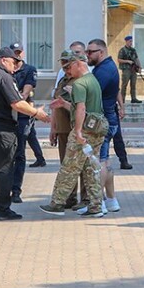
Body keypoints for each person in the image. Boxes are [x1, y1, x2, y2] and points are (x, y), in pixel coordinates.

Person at [0, 47, 49, 221]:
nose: (16, 67)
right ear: (4, 60)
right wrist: (37, 113)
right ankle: (3, 210)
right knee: (4, 169)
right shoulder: (4, 77)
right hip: (2, 130)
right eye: (14, 62)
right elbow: (17, 103)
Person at [43, 52, 108, 218]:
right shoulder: (92, 80)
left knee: (69, 167)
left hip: (84, 130)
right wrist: (64, 104)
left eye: (68, 66)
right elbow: (88, 106)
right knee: (90, 168)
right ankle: (95, 205)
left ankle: (57, 203)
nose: (66, 71)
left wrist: (78, 131)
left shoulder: (79, 84)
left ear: (78, 63)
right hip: (96, 130)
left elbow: (81, 108)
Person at [86, 38, 125, 210]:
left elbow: (92, 95)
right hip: (109, 119)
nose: (88, 55)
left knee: (100, 162)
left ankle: (97, 203)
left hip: (103, 121)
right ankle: (111, 200)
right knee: (106, 162)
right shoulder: (106, 67)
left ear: (101, 52)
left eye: (90, 52)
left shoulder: (103, 71)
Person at [48, 44, 86, 208]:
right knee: (65, 165)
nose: (64, 67)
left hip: (76, 128)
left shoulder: (81, 80)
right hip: (63, 128)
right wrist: (53, 127)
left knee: (82, 165)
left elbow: (80, 106)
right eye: (62, 63)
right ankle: (70, 198)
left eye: (67, 63)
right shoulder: (63, 79)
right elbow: (56, 105)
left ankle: (86, 198)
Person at [10, 45, 41, 201]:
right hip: (7, 117)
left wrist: (17, 98)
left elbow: (27, 90)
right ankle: (3, 188)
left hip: (22, 116)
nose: (17, 56)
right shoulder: (6, 70)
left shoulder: (29, 69)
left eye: (19, 53)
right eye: (14, 54)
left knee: (19, 154)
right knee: (3, 155)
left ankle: (16, 190)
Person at [118, 35, 142, 103]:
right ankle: (122, 99)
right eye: (129, 41)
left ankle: (133, 98)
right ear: (126, 41)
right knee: (124, 85)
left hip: (133, 69)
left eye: (131, 41)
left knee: (133, 84)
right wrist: (127, 61)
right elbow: (119, 60)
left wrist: (140, 67)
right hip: (126, 70)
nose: (131, 42)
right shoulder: (122, 50)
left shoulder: (133, 50)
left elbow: (137, 58)